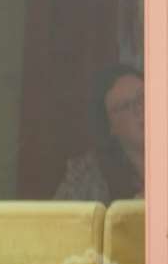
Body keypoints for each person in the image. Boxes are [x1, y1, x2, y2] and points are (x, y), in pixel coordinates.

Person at [55, 64, 144, 201]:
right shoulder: (87, 176)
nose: (140, 110)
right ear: (110, 127)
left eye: (142, 97)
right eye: (125, 106)